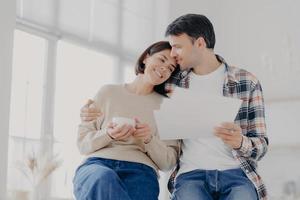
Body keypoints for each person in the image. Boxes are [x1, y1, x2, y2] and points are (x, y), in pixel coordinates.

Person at [165, 14, 269, 200]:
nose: (172, 54)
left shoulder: (247, 82)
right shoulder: (172, 83)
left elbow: (261, 146)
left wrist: (240, 142)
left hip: (237, 174)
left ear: (200, 43)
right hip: (191, 175)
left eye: (177, 47)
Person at [73, 41, 180, 200]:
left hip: (141, 170)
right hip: (98, 164)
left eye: (171, 68)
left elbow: (168, 162)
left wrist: (149, 139)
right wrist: (108, 134)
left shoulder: (168, 108)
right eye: (162, 59)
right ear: (146, 58)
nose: (165, 68)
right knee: (103, 179)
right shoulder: (108, 92)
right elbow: (83, 143)